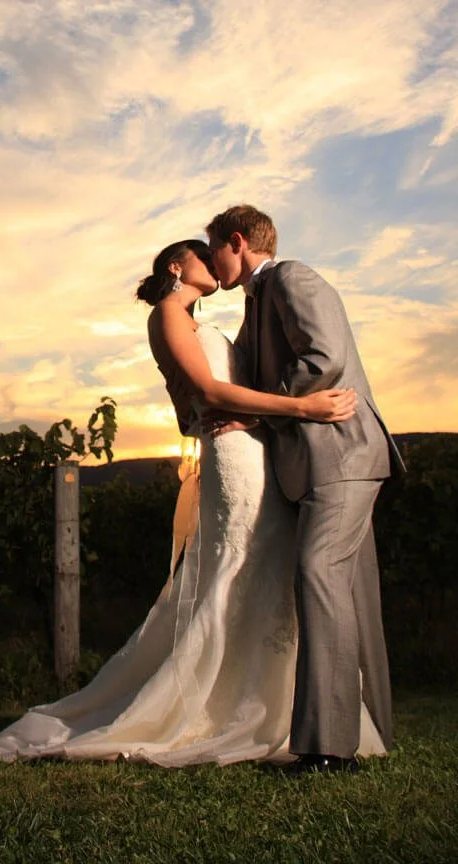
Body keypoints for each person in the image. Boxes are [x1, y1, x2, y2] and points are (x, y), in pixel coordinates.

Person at [0, 239, 386, 768]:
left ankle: (279, 709)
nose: (211, 261)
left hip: (255, 450)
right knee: (237, 570)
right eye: (201, 253)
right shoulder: (168, 314)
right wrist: (301, 406)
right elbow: (207, 391)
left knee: (268, 575)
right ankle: (222, 708)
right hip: (235, 456)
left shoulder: (197, 320)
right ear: (177, 266)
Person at [206, 205, 404, 773]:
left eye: (213, 245)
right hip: (315, 464)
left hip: (341, 451)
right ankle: (371, 730)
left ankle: (328, 750)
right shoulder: (255, 302)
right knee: (350, 592)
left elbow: (325, 357)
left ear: (237, 241)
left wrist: (266, 414)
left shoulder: (293, 278)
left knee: (317, 576)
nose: (212, 257)